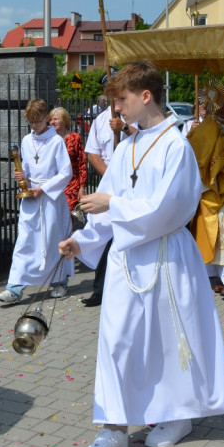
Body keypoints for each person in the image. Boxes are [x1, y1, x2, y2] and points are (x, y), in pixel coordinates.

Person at [58, 62, 224, 447]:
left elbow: (168, 209)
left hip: (167, 256)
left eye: (120, 99)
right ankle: (113, 430)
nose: (115, 107)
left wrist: (113, 203)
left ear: (145, 96)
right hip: (127, 261)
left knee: (169, 339)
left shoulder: (176, 146)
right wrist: (82, 239)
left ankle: (178, 414)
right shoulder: (128, 146)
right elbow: (103, 205)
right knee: (118, 341)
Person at [0, 99, 74, 302]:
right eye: (30, 123)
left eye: (37, 122)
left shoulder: (56, 142)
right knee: (25, 241)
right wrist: (22, 177)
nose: (34, 126)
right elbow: (27, 169)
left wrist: (44, 188)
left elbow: (66, 173)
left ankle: (60, 282)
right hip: (31, 198)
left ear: (46, 119)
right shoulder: (26, 141)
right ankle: (14, 288)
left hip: (50, 200)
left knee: (53, 240)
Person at [187, 87, 224, 299]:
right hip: (210, 187)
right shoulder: (208, 123)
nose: (219, 108)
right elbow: (194, 149)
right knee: (208, 230)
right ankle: (214, 276)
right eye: (215, 104)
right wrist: (194, 133)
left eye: (223, 103)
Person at [81, 77, 133, 307]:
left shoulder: (135, 118)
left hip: (133, 184)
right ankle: (99, 289)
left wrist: (124, 128)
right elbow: (93, 152)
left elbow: (147, 140)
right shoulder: (100, 120)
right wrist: (109, 175)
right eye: (109, 91)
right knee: (104, 232)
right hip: (110, 184)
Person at [50, 107, 88, 212]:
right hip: (53, 185)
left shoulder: (75, 138)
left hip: (72, 186)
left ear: (65, 121)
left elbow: (82, 164)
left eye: (56, 119)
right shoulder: (48, 140)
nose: (52, 122)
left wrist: (82, 188)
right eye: (51, 119)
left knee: (68, 216)